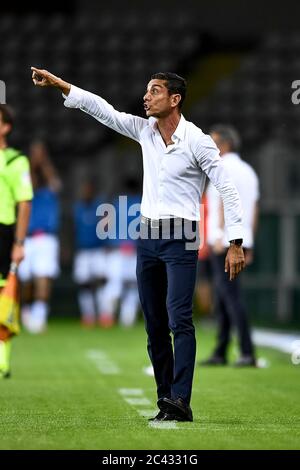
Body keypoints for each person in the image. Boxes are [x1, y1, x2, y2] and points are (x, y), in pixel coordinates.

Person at [31, 67, 245, 422]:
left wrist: (236, 241)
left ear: (175, 99)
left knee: (181, 319)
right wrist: (63, 85)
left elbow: (227, 189)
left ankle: (181, 399)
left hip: (182, 237)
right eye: (147, 90)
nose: (147, 97)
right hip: (147, 237)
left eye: (155, 91)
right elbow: (105, 111)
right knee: (154, 324)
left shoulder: (198, 141)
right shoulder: (145, 131)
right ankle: (166, 400)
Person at [200, 125, 259, 367]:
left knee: (230, 296)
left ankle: (246, 351)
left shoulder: (221, 168)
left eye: (213, 142)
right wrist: (250, 243)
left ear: (224, 144)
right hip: (242, 240)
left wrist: (216, 235)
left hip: (224, 241)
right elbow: (254, 208)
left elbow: (225, 201)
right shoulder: (248, 170)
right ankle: (222, 349)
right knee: (226, 295)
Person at [0, 104, 33, 378]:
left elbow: (24, 202)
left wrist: (19, 242)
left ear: (5, 127)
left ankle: (3, 357)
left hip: (3, 230)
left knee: (4, 294)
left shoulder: (14, 161)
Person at [18, 141, 61, 334]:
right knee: (25, 280)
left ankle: (40, 315)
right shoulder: (26, 188)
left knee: (43, 277)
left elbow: (55, 183)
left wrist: (43, 162)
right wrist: (32, 163)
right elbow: (28, 182)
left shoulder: (49, 191)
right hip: (26, 238)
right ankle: (26, 311)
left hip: (46, 238)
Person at [72, 179, 108, 327]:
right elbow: (73, 229)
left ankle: (104, 314)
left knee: (101, 282)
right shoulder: (78, 208)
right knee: (84, 284)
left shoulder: (100, 207)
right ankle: (88, 315)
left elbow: (107, 228)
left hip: (98, 250)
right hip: (83, 251)